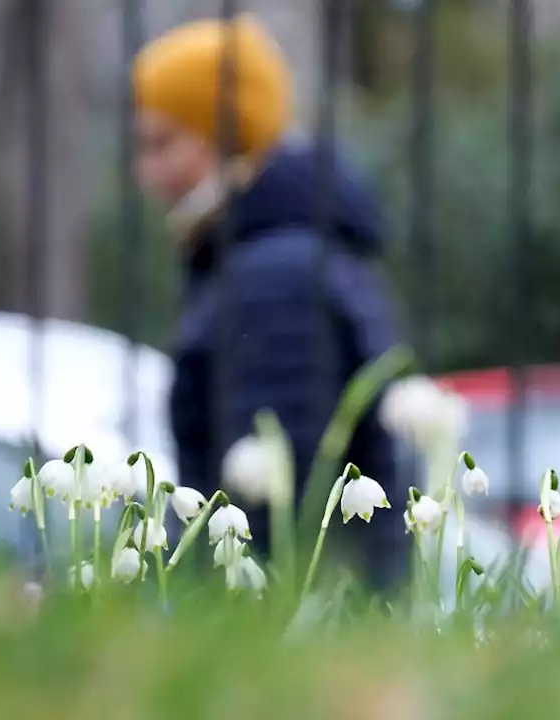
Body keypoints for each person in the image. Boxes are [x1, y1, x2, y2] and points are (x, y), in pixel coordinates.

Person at [132, 15, 405, 591]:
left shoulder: (275, 280)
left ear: (227, 135)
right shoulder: (279, 256)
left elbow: (277, 508)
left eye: (163, 143)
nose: (146, 172)